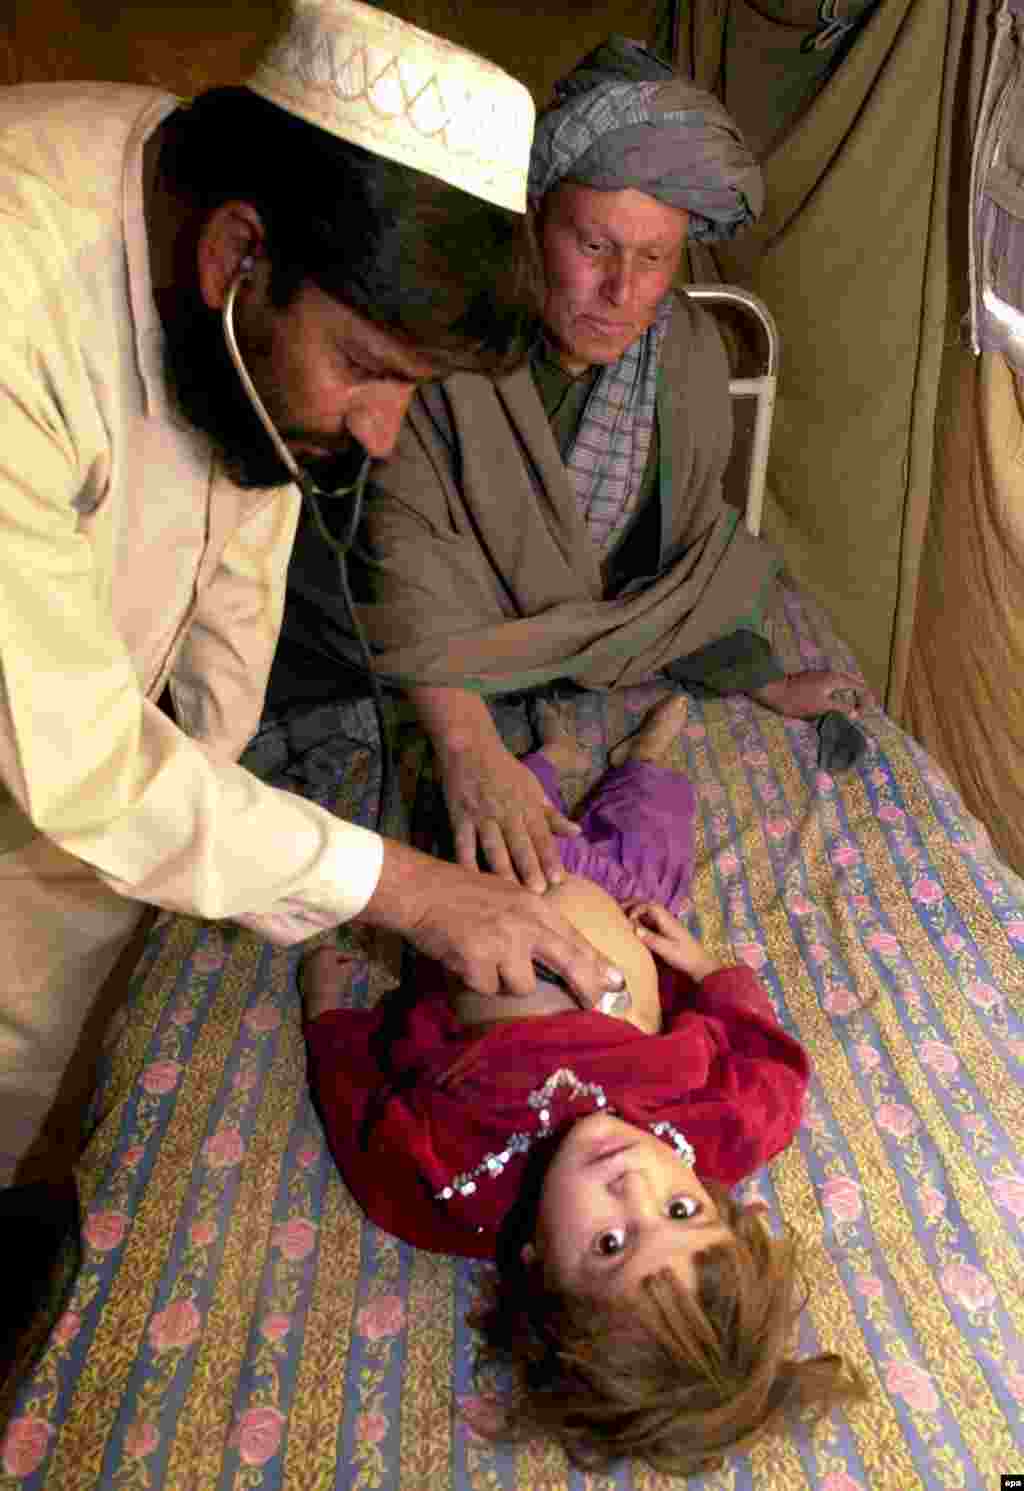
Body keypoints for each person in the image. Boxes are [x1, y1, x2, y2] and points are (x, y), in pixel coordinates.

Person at [0, 0, 626, 1331]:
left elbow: (238, 547)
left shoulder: (223, 277)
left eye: (415, 389)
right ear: (240, 255)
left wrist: (221, 814)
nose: (385, 433)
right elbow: (82, 759)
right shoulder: (18, 282)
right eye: (368, 370)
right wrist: (404, 887)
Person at [266, 34, 866, 898]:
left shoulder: (690, 356)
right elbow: (398, 559)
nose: (622, 292)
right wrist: (466, 744)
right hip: (423, 661)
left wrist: (760, 676)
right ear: (535, 221)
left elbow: (684, 564)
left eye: (654, 259)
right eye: (594, 247)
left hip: (549, 643)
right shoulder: (452, 337)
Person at [300, 694, 865, 1474]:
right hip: (626, 903)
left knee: (480, 820)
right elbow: (776, 1072)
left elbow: (361, 1122)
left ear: (540, 1269)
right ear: (722, 1204)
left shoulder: (456, 1184)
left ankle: (545, 765)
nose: (633, 1184)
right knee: (651, 830)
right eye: (680, 1210)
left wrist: (327, 1013)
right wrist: (708, 969)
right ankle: (641, 757)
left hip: (485, 898)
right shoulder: (718, 1132)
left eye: (610, 1243)